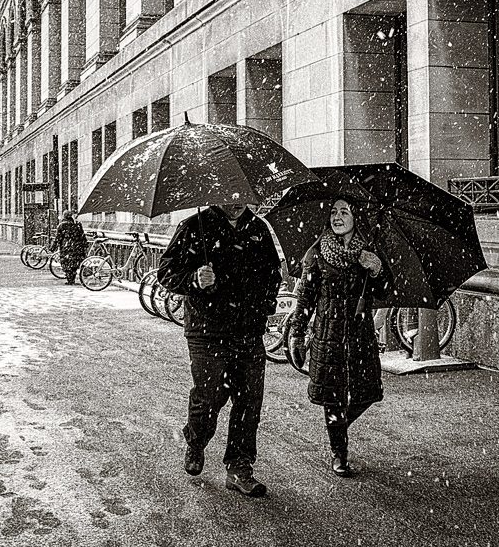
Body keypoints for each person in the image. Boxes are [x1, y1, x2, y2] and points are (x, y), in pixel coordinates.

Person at [156, 202, 281, 497]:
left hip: (248, 331)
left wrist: (264, 306)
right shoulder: (193, 226)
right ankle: (196, 441)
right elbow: (166, 273)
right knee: (209, 397)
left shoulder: (258, 229)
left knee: (249, 401)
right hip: (207, 330)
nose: (236, 203)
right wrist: (194, 280)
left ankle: (239, 467)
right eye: (229, 195)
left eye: (242, 196)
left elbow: (273, 275)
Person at [287, 197, 384, 477]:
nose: (337, 217)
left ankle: (338, 426)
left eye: (344, 211)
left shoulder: (367, 251)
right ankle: (338, 452)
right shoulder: (316, 253)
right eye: (333, 212)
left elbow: (383, 291)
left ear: (356, 218)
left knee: (366, 392)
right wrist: (297, 335)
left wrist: (376, 269)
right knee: (332, 397)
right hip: (327, 334)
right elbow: (304, 298)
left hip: (359, 335)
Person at [51, 210, 88, 284]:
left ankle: (69, 279)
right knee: (74, 263)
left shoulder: (62, 225)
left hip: (66, 247)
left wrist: (53, 247)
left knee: (66, 263)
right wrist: (84, 244)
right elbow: (82, 235)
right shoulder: (77, 224)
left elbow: (58, 238)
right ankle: (72, 277)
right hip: (77, 247)